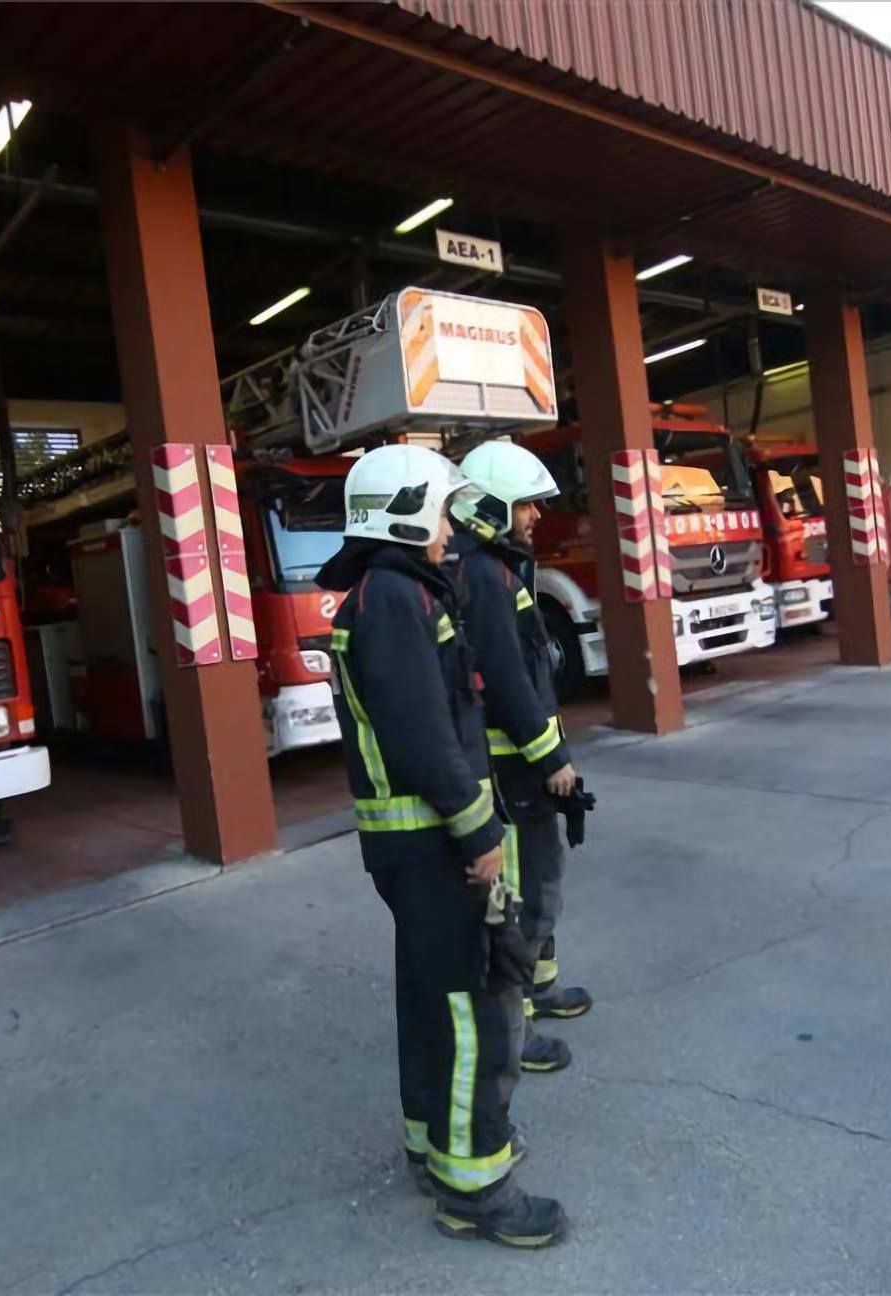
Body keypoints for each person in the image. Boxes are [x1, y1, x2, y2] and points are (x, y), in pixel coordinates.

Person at [316, 443, 568, 1246]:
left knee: (433, 1000)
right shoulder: (395, 598)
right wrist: (480, 831)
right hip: (433, 843)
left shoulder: (389, 593)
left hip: (413, 848)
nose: (449, 527)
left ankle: (436, 1144)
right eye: (439, 510)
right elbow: (425, 733)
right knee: (474, 1013)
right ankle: (477, 1187)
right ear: (405, 512)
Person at [447, 441, 592, 1078]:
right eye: (526, 504)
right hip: (515, 774)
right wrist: (552, 757)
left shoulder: (499, 568)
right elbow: (506, 679)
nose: (536, 515)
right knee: (526, 893)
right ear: (491, 507)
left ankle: (542, 989)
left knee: (543, 884)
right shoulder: (484, 575)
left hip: (525, 769)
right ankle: (521, 1023)